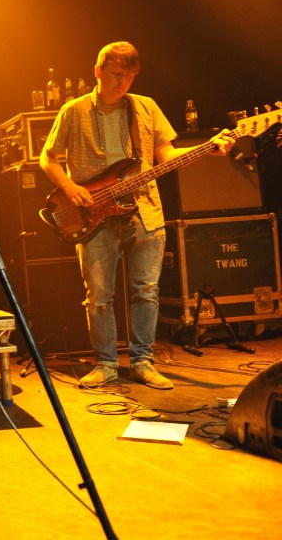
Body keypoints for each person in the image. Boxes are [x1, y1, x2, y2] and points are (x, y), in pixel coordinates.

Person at [39, 41, 235, 390]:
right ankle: (105, 364)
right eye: (116, 75)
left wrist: (208, 150)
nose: (122, 83)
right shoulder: (73, 110)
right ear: (98, 71)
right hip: (92, 214)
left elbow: (167, 155)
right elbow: (48, 158)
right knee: (99, 296)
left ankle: (143, 362)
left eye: (129, 77)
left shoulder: (145, 108)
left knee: (146, 291)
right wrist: (69, 188)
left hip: (144, 211)